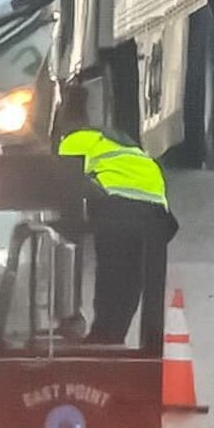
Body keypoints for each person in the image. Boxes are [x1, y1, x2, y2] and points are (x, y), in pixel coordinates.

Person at [56, 84, 180, 345]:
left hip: (118, 205)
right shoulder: (115, 137)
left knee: (111, 271)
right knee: (136, 276)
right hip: (158, 210)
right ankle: (131, 339)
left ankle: (104, 337)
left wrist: (65, 229)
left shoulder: (72, 141)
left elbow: (64, 188)